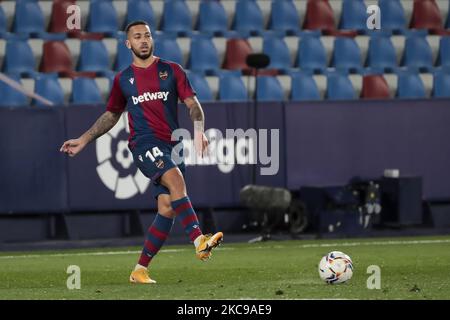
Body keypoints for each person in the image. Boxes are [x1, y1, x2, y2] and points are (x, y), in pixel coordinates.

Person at [60, 20, 223, 284]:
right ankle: (198, 239)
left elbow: (193, 104)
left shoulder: (171, 71)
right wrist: (84, 139)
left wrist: (199, 129)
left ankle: (139, 270)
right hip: (144, 143)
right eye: (137, 37)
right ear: (129, 43)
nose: (143, 40)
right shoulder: (123, 79)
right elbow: (112, 115)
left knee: (168, 207)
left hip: (173, 145)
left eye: (147, 35)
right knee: (176, 182)